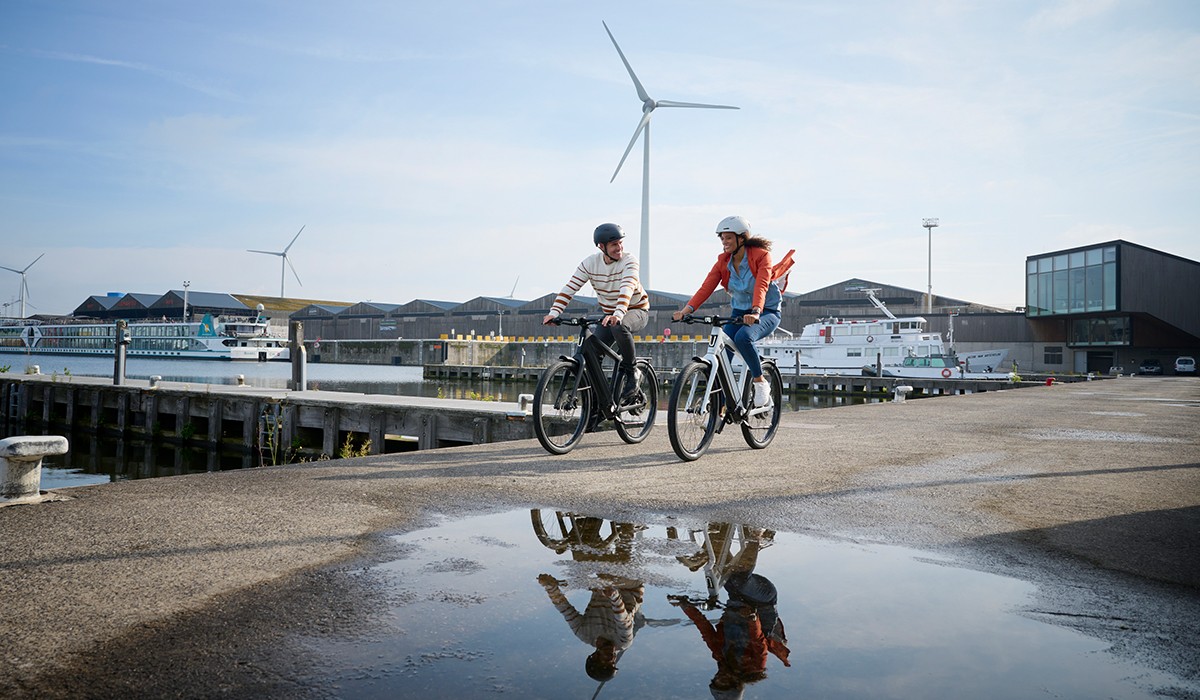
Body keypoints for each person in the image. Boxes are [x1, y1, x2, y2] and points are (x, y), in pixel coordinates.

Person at [672, 216, 783, 407]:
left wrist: (756, 311)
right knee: (722, 355)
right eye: (722, 238)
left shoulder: (761, 256)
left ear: (742, 238)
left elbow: (762, 285)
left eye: (729, 238)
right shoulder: (723, 262)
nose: (724, 242)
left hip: (766, 312)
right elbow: (706, 287)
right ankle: (720, 404)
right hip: (739, 313)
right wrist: (686, 310)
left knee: (743, 338)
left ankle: (759, 381)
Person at [544, 223, 650, 403]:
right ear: (602, 247)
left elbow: (627, 288)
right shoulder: (590, 264)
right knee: (591, 353)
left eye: (620, 243)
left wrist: (618, 314)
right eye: (614, 245)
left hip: (635, 310)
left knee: (620, 325)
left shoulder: (629, 260)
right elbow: (570, 288)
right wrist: (554, 312)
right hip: (610, 315)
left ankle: (633, 373)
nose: (619, 248)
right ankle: (599, 404)